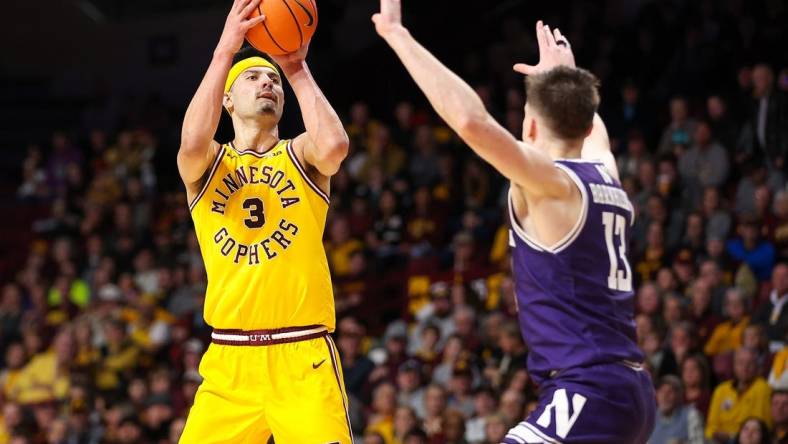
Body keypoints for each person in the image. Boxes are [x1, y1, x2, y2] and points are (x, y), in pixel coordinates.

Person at [373, 2, 655, 442]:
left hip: (588, 390)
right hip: (629, 390)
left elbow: (470, 121)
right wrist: (564, 75)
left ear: (530, 128)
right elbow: (584, 120)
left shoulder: (550, 185)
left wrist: (397, 35)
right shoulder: (607, 173)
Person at [176, 0, 351, 441]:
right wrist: (225, 52)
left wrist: (293, 68)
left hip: (303, 355)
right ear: (228, 100)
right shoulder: (210, 163)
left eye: (271, 79)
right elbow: (192, 141)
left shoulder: (299, 153)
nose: (266, 83)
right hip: (230, 362)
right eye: (253, 77)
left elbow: (334, 146)